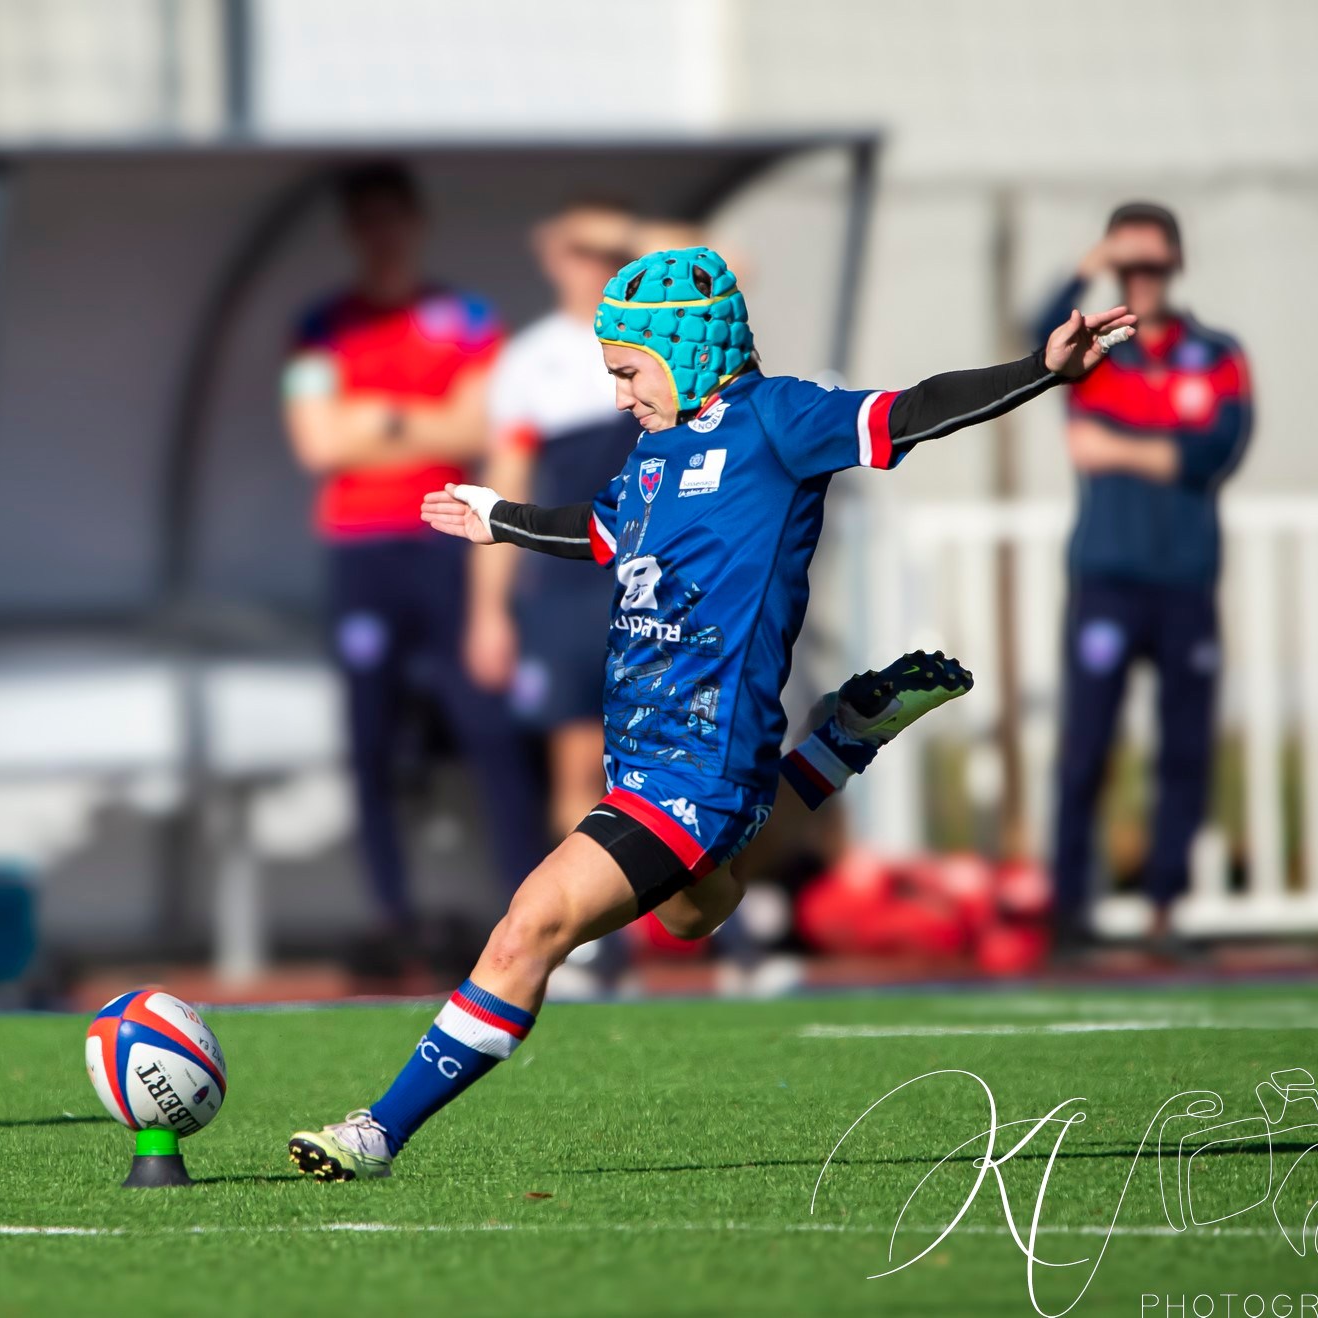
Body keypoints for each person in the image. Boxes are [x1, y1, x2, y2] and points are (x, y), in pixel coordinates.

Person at [287, 246, 1136, 1179]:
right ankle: (839, 743)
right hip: (646, 754)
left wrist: (1039, 371)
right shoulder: (655, 449)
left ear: (686, 349)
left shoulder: (781, 421)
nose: (618, 397)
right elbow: (603, 532)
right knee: (698, 914)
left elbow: (914, 409)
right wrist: (503, 517)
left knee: (531, 922)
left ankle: (377, 1131)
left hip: (698, 762)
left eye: (627, 371)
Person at [282, 163, 545, 945]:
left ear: (415, 223)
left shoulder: (465, 317)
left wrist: (378, 419)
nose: (380, 236)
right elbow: (317, 442)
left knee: (487, 725)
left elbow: (479, 430)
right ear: (350, 232)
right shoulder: (320, 326)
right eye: (365, 221)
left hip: (446, 538)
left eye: (392, 218)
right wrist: (420, 417)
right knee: (370, 737)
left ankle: (529, 914)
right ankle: (391, 917)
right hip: (360, 549)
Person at [1033, 203, 1253, 951]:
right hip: (1107, 578)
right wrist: (1087, 264)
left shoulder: (1216, 353)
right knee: (1087, 746)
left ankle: (1164, 909)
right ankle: (1068, 911)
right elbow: (1035, 341)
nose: (1143, 281)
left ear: (1176, 267)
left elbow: (1214, 452)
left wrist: (1122, 448)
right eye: (1129, 266)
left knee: (1185, 748)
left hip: (1187, 579)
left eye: (1153, 266)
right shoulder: (1099, 352)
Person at [467, 201, 638, 856]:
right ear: (552, 257)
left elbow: (732, 265)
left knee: (671, 760)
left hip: (657, 577)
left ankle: (711, 935)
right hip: (572, 586)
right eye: (577, 250)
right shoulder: (531, 361)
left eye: (605, 251)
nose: (592, 265)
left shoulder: (665, 336)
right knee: (577, 765)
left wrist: (626, 235)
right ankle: (600, 944)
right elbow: (501, 493)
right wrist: (488, 612)